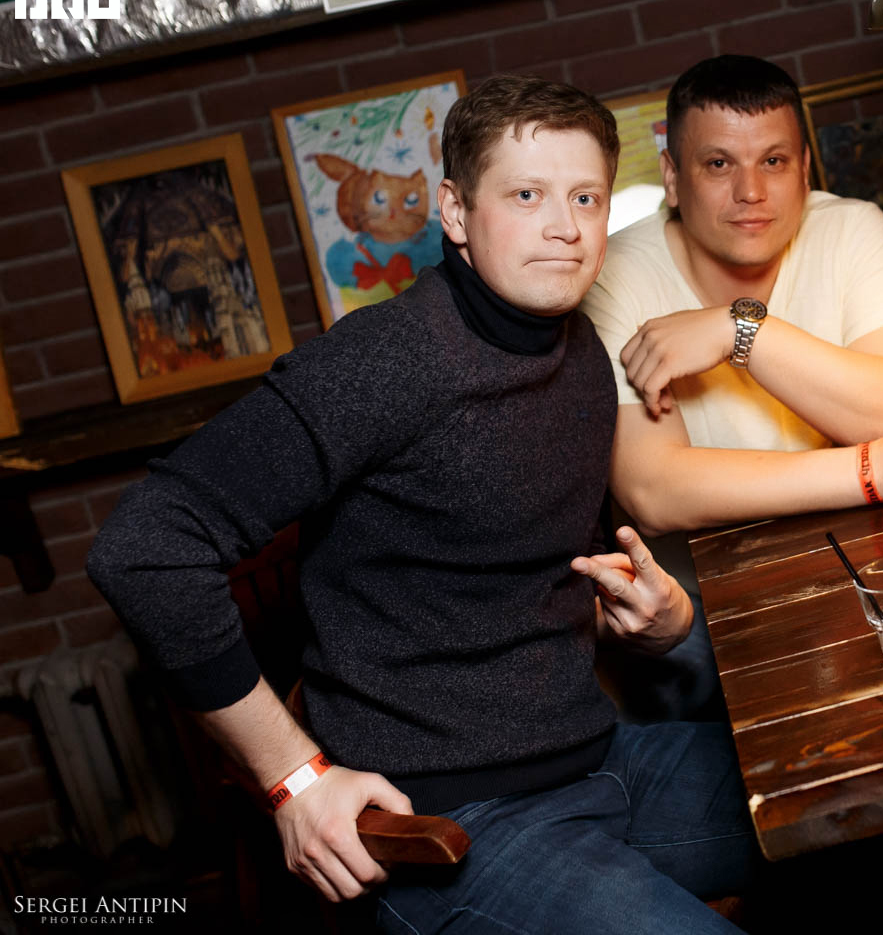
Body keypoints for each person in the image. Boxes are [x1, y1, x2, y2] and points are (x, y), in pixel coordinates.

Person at [86, 75, 758, 934]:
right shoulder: (384, 363)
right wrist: (294, 777)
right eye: (527, 195)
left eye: (585, 197)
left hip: (604, 758)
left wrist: (657, 619)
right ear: (454, 211)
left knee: (861, 798)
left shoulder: (577, 350)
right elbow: (144, 549)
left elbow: (511, 567)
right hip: (454, 823)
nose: (565, 226)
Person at [580, 56, 883, 722]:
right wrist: (874, 467)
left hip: (871, 575)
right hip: (703, 620)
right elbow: (655, 492)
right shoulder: (615, 273)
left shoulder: (852, 228)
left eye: (773, 161)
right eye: (718, 164)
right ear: (672, 176)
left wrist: (743, 332)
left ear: (806, 170)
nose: (751, 191)